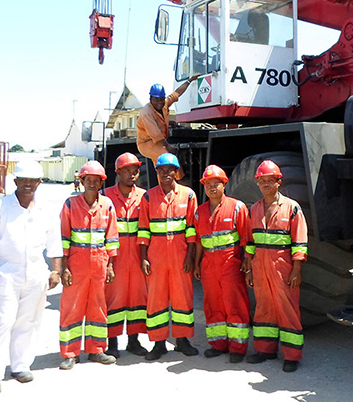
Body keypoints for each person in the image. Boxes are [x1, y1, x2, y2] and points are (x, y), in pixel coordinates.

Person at [0, 160, 62, 396]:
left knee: (28, 321)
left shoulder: (46, 209)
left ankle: (20, 365)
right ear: (15, 182)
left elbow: (55, 243)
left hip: (36, 271)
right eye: (23, 180)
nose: (28, 185)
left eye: (33, 181)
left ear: (39, 182)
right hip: (7, 271)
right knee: (1, 322)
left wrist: (55, 270)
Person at [244, 160, 308, 373]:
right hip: (260, 267)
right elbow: (251, 242)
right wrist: (250, 268)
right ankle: (265, 350)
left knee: (287, 309)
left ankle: (291, 355)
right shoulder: (254, 209)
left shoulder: (292, 208)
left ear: (279, 182)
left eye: (270, 181)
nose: (266, 184)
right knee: (263, 308)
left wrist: (296, 270)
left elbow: (299, 241)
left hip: (283, 267)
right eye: (262, 181)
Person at [58, 160, 119, 370]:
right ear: (82, 181)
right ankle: (70, 353)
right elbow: (63, 238)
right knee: (71, 307)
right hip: (76, 263)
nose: (92, 183)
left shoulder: (108, 205)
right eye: (88, 179)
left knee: (98, 307)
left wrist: (111, 266)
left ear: (101, 183)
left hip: (100, 264)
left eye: (96, 180)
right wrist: (64, 267)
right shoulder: (70, 205)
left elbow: (111, 238)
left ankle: (96, 350)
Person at [137, 152, 199, 360]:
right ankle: (159, 343)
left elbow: (191, 229)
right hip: (156, 257)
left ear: (176, 172)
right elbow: (144, 230)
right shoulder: (148, 197)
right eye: (161, 170)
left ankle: (182, 340)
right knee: (157, 300)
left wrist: (190, 257)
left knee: (183, 298)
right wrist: (144, 257)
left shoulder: (188, 195)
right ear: (156, 172)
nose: (165, 174)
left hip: (181, 256)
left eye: (170, 170)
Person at [193, 165, 251, 363]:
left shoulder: (237, 207)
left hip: (230, 263)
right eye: (208, 184)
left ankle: (238, 347)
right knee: (213, 305)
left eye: (216, 183)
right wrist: (196, 264)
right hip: (209, 265)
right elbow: (199, 241)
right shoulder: (199, 212)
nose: (212, 187)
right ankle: (218, 344)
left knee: (235, 304)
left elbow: (246, 238)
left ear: (224, 184)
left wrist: (247, 262)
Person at [102, 153, 148, 358]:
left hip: (137, 255)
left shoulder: (144, 196)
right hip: (116, 256)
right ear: (118, 172)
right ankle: (112, 342)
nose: (132, 174)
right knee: (114, 299)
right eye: (128, 170)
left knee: (137, 299)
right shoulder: (105, 196)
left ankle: (133, 340)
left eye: (135, 170)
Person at [136, 76, 199, 179]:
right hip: (146, 142)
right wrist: (169, 147)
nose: (159, 102)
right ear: (150, 98)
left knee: (160, 165)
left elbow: (177, 93)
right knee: (167, 157)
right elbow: (156, 134)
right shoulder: (146, 112)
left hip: (156, 141)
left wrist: (189, 81)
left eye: (161, 99)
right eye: (156, 100)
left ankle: (163, 189)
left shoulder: (164, 104)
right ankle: (180, 180)